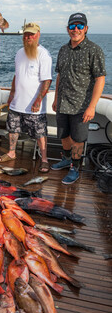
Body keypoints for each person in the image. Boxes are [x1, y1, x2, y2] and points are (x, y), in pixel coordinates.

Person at [51, 12, 106, 184]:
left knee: (78, 139)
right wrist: (55, 97)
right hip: (62, 102)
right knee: (64, 135)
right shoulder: (63, 49)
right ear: (67, 29)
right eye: (72, 26)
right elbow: (59, 75)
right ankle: (67, 159)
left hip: (81, 105)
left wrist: (92, 106)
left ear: (86, 29)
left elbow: (100, 79)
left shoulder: (94, 50)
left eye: (80, 26)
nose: (76, 29)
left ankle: (75, 167)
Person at [0, 22, 52, 172]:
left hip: (34, 105)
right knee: (13, 129)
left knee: (40, 133)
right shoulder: (20, 52)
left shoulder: (44, 54)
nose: (28, 37)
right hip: (16, 103)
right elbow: (17, 75)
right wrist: (12, 93)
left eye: (32, 34)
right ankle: (11, 152)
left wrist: (38, 100)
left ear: (38, 35)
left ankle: (44, 159)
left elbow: (47, 80)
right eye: (26, 34)